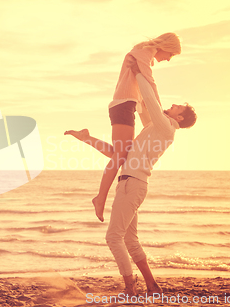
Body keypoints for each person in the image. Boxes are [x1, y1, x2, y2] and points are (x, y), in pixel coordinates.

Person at [65, 62, 197, 296]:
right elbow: (119, 151)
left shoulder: (166, 128)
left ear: (180, 116)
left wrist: (138, 73)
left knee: (113, 238)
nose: (173, 104)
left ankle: (130, 288)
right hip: (129, 184)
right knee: (129, 240)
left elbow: (150, 101)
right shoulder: (154, 128)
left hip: (132, 185)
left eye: (178, 106)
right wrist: (86, 138)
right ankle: (151, 284)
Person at [66, 33, 182, 223]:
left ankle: (86, 137)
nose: (169, 59)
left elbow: (145, 87)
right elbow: (150, 84)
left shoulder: (145, 55)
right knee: (121, 156)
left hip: (125, 105)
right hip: (124, 105)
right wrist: (159, 112)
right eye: (172, 55)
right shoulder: (144, 53)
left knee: (123, 155)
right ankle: (100, 197)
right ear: (167, 46)